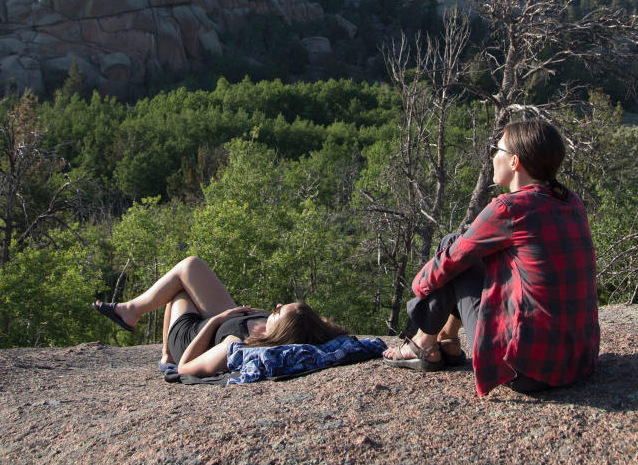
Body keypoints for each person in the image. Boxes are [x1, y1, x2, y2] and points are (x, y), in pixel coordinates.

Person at [382, 117, 599, 396]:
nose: (493, 156)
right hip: (578, 360)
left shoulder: (509, 208)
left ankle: (422, 343)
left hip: (526, 370)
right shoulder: (571, 201)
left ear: (514, 162)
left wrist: (420, 292)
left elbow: (450, 261)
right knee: (472, 257)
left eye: (497, 149)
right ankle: (447, 340)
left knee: (453, 247)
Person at [93, 256, 348, 376]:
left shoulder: (237, 345)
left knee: (179, 293)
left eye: (278, 311)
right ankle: (133, 313)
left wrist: (215, 320)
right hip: (227, 317)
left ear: (282, 330)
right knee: (191, 266)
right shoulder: (303, 329)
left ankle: (160, 347)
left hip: (193, 337)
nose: (277, 305)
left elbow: (186, 368)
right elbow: (326, 328)